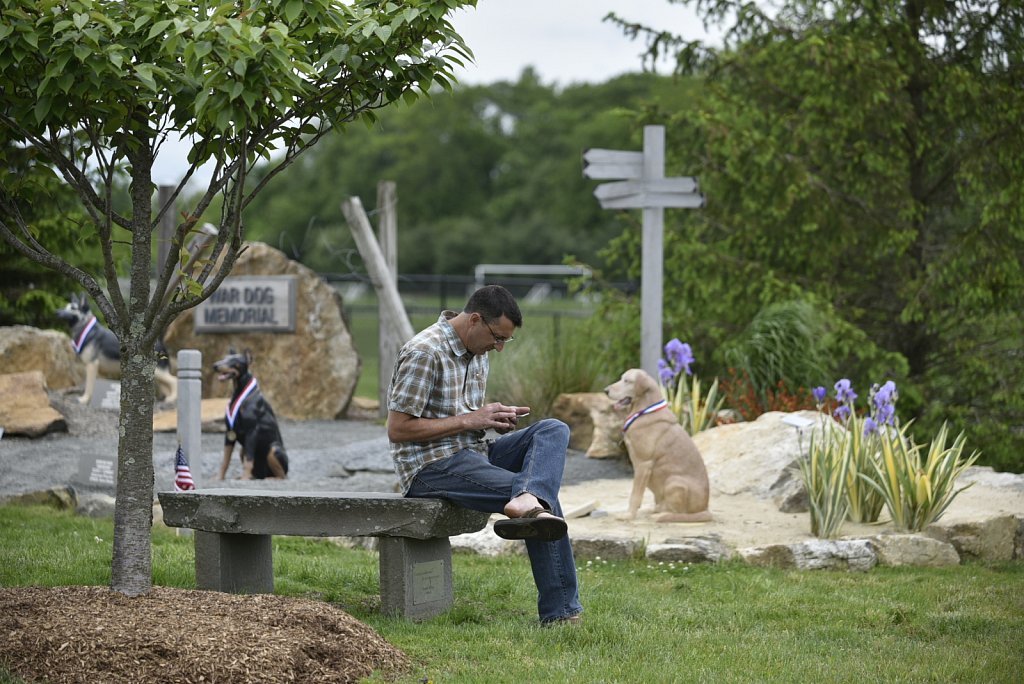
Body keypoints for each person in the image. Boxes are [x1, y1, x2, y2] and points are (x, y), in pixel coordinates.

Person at [386, 285, 583, 626]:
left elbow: (466, 421)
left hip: (473, 453)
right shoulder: (424, 352)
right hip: (429, 467)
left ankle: (527, 496)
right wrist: (471, 419)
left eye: (506, 340)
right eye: (497, 337)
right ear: (475, 319)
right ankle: (562, 614)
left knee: (553, 429)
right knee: (543, 508)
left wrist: (493, 421)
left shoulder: (478, 351)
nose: (500, 347)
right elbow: (399, 430)